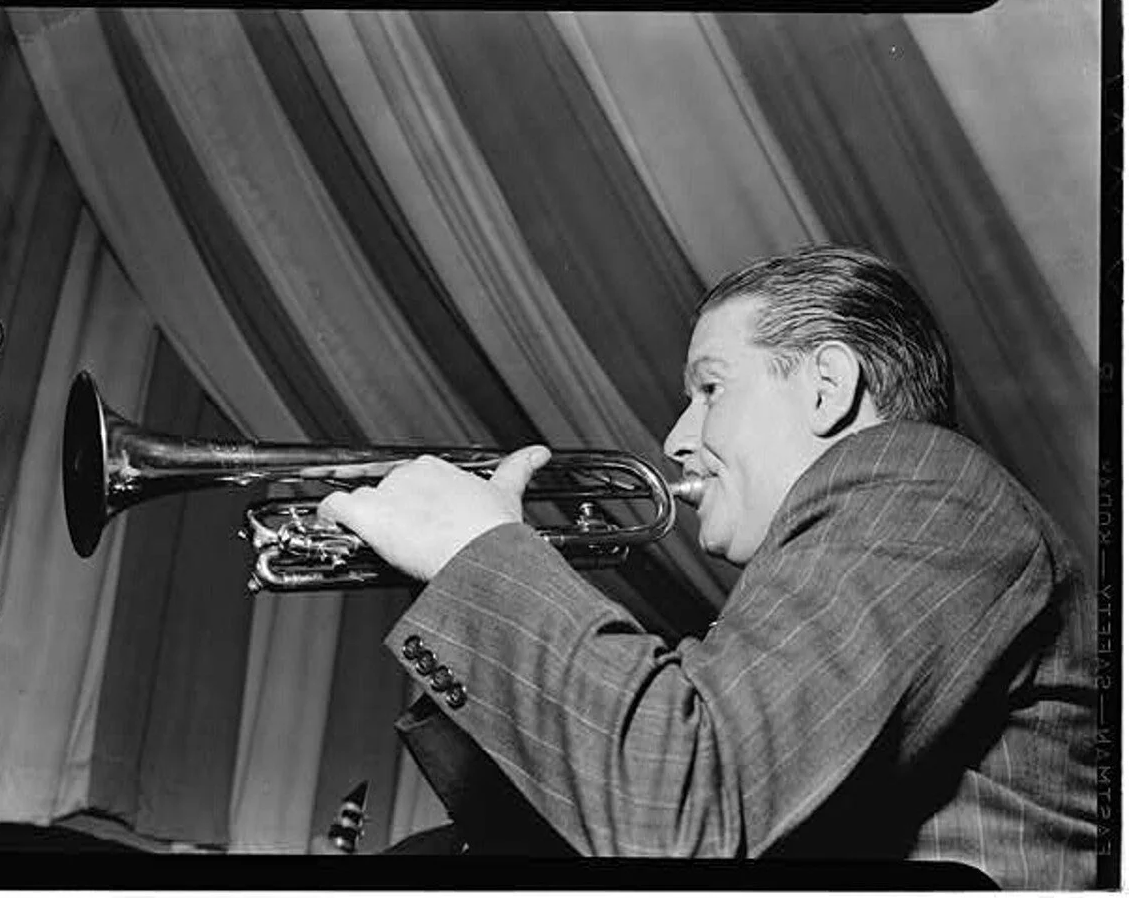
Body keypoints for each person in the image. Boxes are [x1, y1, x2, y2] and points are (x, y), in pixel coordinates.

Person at [319, 246, 1096, 886]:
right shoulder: (856, 552)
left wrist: (480, 558)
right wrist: (469, 588)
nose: (675, 437)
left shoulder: (923, 484)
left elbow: (681, 809)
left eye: (710, 388)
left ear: (828, 386)